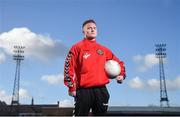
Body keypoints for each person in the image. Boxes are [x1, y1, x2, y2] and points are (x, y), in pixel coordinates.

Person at [64, 19, 126, 116]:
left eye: (94, 28)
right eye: (89, 28)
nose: (92, 30)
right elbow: (68, 67)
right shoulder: (77, 47)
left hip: (101, 90)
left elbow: (119, 62)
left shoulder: (103, 49)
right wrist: (71, 87)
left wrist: (121, 74)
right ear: (83, 31)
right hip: (83, 91)